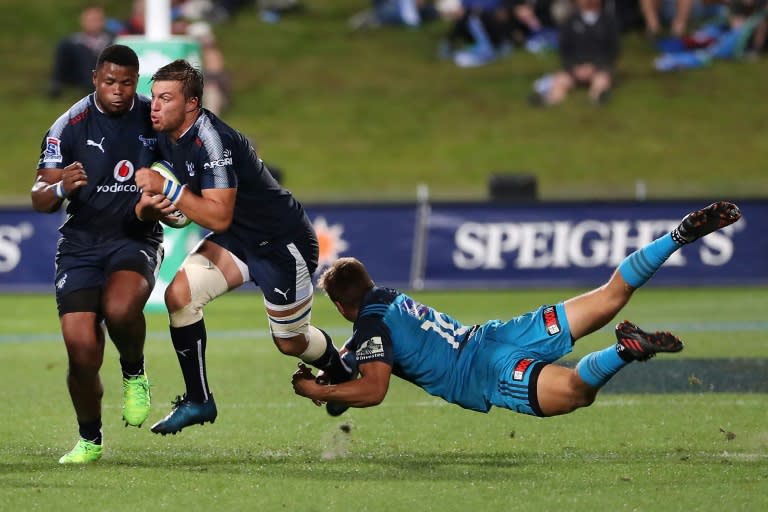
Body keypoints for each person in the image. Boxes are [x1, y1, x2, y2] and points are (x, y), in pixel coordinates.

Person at [292, 202, 741, 421]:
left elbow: (371, 391)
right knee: (610, 294)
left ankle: (625, 351)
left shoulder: (370, 326)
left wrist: (318, 387)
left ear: (339, 304)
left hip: (485, 370)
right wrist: (331, 380)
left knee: (575, 392)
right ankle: (678, 236)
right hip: (498, 334)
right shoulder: (389, 298)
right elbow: (354, 368)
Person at [133, 59, 348, 435]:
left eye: (165, 98)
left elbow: (217, 217)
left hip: (281, 243)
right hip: (240, 239)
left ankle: (341, 369)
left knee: (290, 342)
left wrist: (167, 189)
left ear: (191, 104)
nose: (155, 105)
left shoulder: (212, 140)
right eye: (153, 96)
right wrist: (161, 207)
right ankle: (198, 400)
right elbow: (185, 207)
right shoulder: (162, 133)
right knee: (179, 296)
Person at [31, 44, 168, 464]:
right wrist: (60, 188)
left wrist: (173, 196)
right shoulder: (67, 125)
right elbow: (40, 196)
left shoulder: (153, 119)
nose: (118, 90)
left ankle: (134, 373)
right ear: (95, 79)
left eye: (127, 82)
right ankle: (90, 440)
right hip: (81, 245)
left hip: (135, 236)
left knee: (121, 308)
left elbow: (184, 165)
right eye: (110, 81)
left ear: (136, 81)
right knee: (81, 352)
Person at [528, 0, 620, 106]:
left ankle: (597, 97)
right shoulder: (569, 22)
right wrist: (574, 68)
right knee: (560, 80)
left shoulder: (609, 21)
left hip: (600, 68)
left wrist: (595, 66)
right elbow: (565, 52)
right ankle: (550, 99)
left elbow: (613, 51)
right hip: (575, 68)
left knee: (601, 80)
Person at [48, 4, 115, 98]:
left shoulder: (112, 40)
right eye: (90, 20)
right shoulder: (72, 42)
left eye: (96, 20)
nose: (93, 24)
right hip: (79, 76)